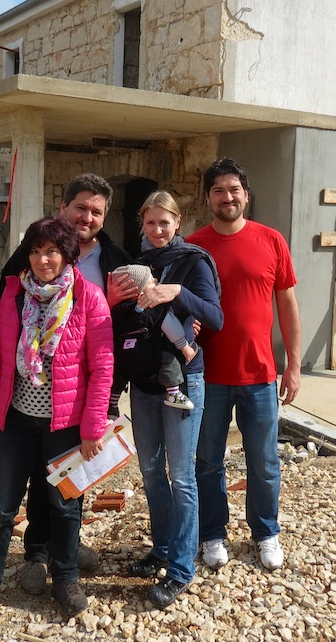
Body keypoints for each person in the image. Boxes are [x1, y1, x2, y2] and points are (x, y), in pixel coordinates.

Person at [0, 215, 113, 631]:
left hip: (65, 426)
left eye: (51, 251)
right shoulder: (14, 295)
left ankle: (65, 578)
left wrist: (93, 428)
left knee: (65, 506)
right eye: (35, 251)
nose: (42, 260)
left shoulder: (88, 298)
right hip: (18, 421)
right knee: (2, 507)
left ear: (68, 255)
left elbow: (102, 366)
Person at [15, 174, 132, 596]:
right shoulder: (36, 248)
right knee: (38, 473)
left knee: (74, 473)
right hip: (36, 391)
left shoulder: (115, 258)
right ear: (63, 207)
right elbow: (7, 307)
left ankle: (67, 542)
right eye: (80, 207)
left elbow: (129, 322)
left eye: (96, 211)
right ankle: (37, 551)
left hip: (89, 388)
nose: (87, 217)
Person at [187, 158, 302, 572]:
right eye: (218, 190)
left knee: (264, 462)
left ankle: (266, 532)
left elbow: (287, 306)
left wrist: (293, 365)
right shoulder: (194, 248)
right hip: (207, 376)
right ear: (208, 198)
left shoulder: (271, 241)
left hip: (259, 375)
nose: (227, 197)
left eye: (234, 189)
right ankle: (212, 533)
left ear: (246, 195)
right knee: (208, 462)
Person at [117, 191, 223, 608]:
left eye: (165, 222)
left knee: (181, 476)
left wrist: (175, 291)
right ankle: (161, 548)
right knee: (150, 471)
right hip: (145, 382)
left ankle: (181, 568)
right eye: (150, 223)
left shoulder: (194, 262)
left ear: (177, 222)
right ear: (142, 224)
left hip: (184, 381)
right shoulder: (136, 264)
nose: (158, 230)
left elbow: (215, 317)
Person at [112, 262, 198, 409]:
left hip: (126, 355)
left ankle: (112, 404)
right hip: (151, 354)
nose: (156, 282)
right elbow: (172, 328)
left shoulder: (118, 310)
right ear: (140, 293)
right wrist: (184, 347)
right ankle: (173, 394)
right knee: (170, 360)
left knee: (120, 372)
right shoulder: (154, 308)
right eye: (151, 281)